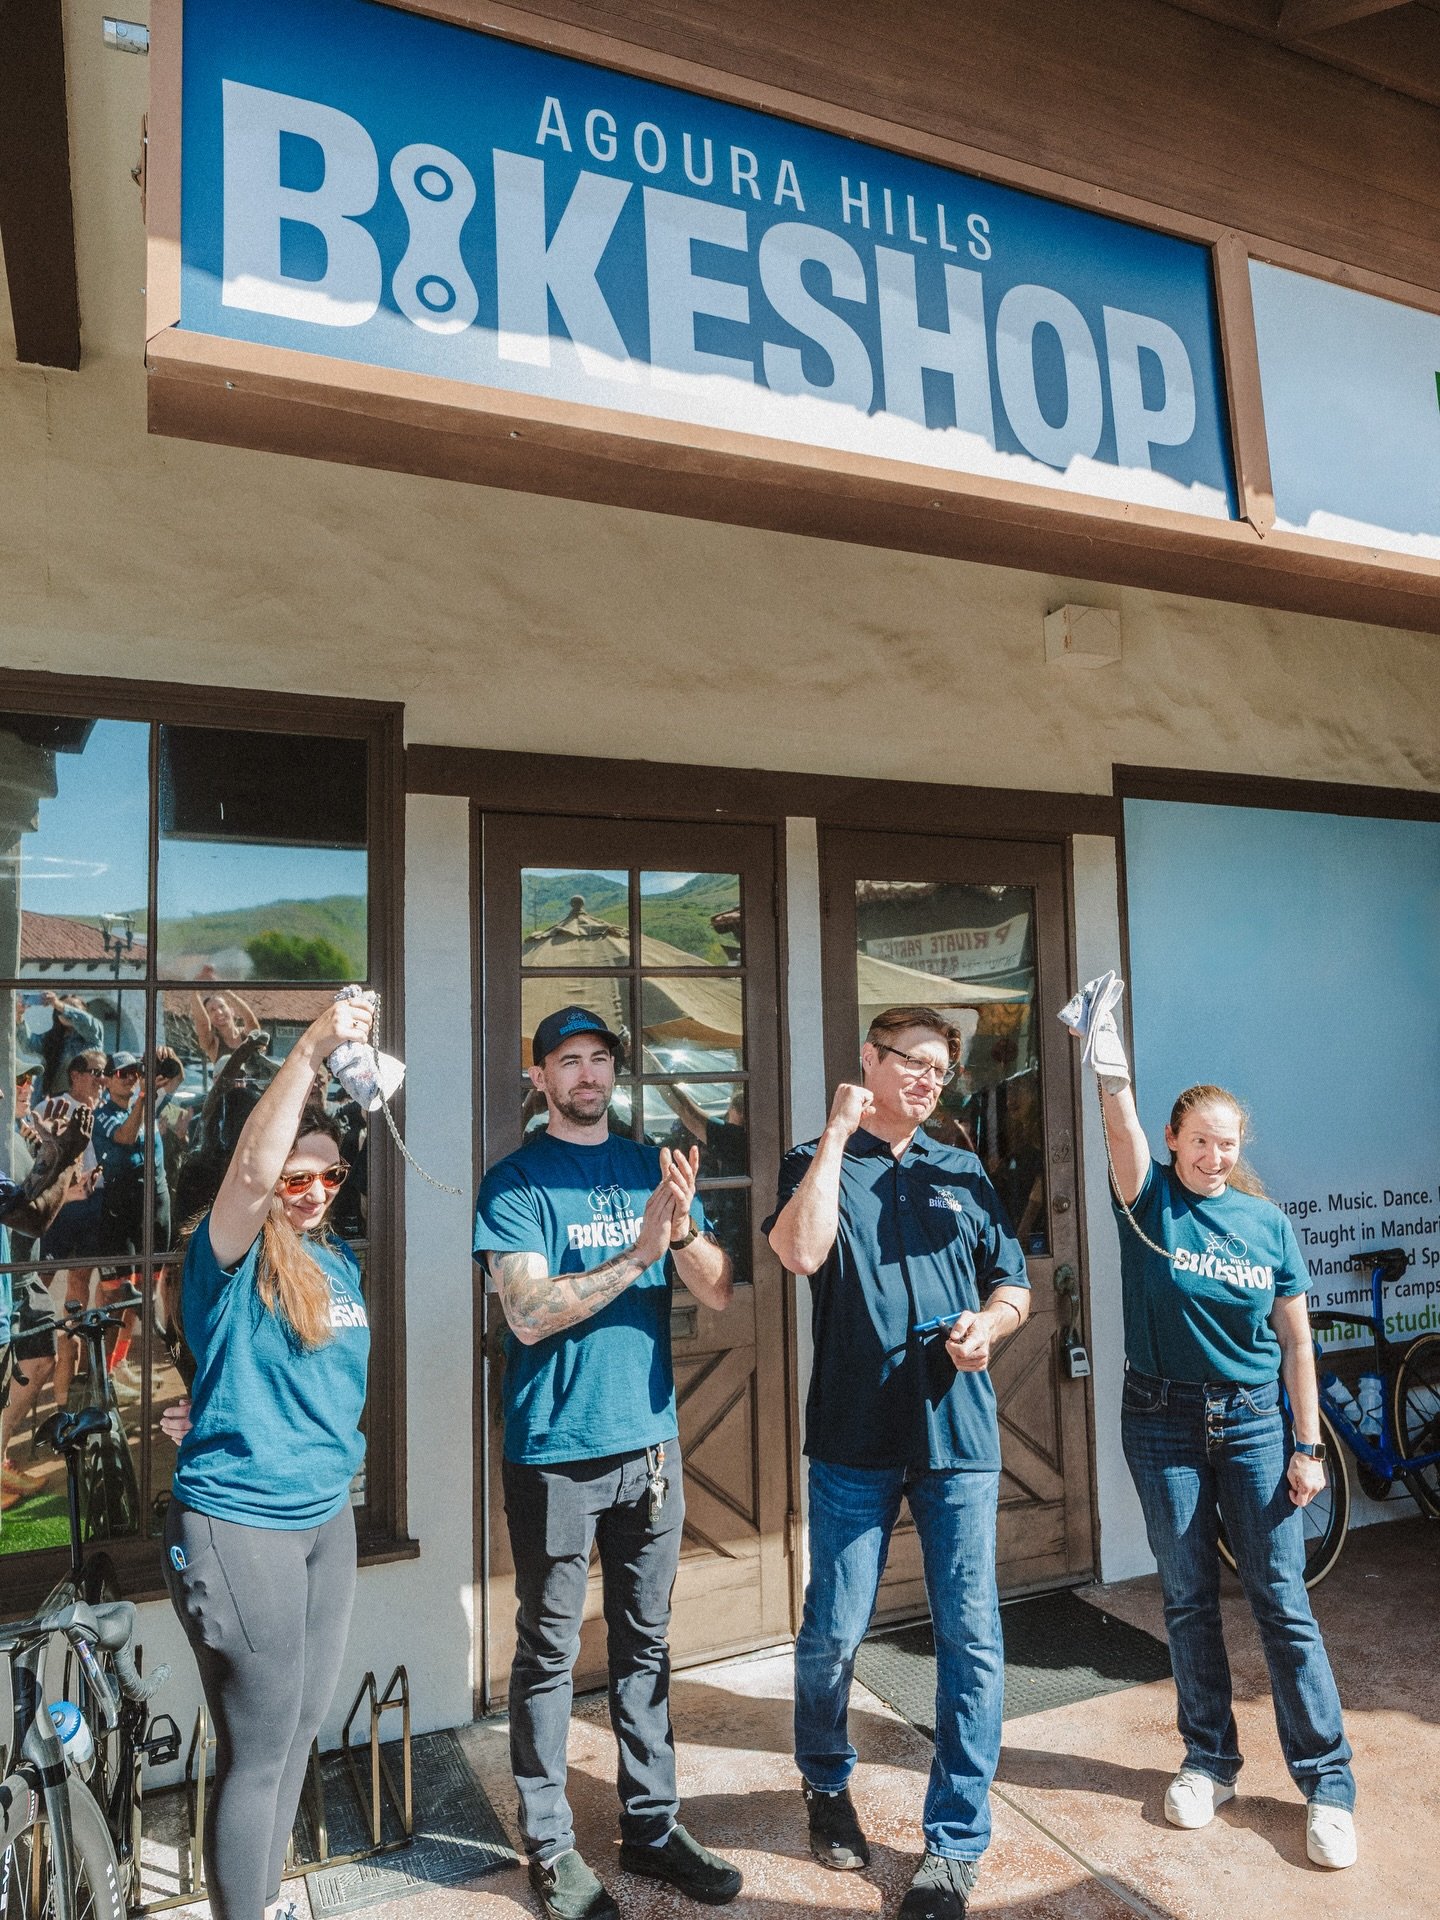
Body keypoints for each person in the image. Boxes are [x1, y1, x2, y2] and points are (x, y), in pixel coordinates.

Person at [1064, 973, 1356, 1870]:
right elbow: (1118, 1131)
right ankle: (1209, 1761)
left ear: (1239, 1146)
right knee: (1188, 1599)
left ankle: (1328, 1783)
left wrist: (1308, 1445)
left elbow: (1299, 1346)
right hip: (1159, 1420)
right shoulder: (1146, 1202)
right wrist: (1109, 1066)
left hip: (1257, 1426)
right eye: (1200, 1142)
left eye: (1226, 1145)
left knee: (1282, 1603)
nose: (1214, 1157)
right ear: (1173, 1142)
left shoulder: (1267, 1225)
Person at [473, 1005, 743, 1920]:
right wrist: (637, 1253)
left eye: (599, 1061)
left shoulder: (647, 1167)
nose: (587, 1076)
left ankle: (653, 1827)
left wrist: (684, 1230)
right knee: (549, 1652)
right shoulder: (514, 1182)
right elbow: (527, 1311)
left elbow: (717, 1289)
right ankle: (550, 1847)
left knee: (646, 1644)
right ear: (542, 1078)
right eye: (568, 1062)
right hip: (554, 1451)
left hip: (650, 1446)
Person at [764, 1005, 1030, 1920]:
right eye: (909, 1062)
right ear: (868, 1062)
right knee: (834, 1629)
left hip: (958, 1434)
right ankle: (825, 1783)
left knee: (972, 1638)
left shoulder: (963, 1170)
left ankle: (955, 1844)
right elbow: (800, 1253)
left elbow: (1015, 1285)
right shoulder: (815, 1159)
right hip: (853, 1433)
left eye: (938, 1070)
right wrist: (839, 1132)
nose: (925, 1080)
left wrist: (988, 1326)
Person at [161, 994, 374, 1920]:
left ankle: (265, 1898)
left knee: (300, 1730)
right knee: (257, 1748)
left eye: (328, 1178)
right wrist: (313, 1049)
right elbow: (249, 1172)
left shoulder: (339, 1265)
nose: (313, 1193)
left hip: (328, 1520)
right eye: (297, 1179)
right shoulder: (227, 1255)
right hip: (241, 1525)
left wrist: (205, 1401)